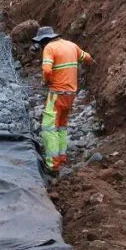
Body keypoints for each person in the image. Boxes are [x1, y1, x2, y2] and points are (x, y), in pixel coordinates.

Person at [32, 26, 94, 173]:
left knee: (49, 127)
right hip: (71, 94)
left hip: (57, 93)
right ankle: (62, 156)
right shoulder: (71, 45)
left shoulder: (50, 48)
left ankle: (53, 164)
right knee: (61, 125)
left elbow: (47, 70)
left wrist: (47, 81)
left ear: (44, 40)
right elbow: (88, 58)